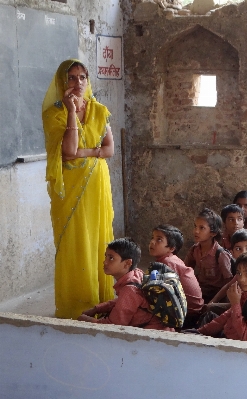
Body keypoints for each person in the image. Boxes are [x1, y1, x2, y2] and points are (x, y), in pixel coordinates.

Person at [42, 59, 115, 319]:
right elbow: (68, 151)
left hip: (97, 187)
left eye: (82, 77)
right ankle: (76, 305)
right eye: (71, 78)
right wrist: (72, 111)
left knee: (98, 240)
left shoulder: (99, 110)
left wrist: (89, 153)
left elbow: (109, 150)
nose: (77, 83)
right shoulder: (55, 113)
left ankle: (100, 302)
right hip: (69, 190)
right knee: (74, 242)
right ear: (63, 82)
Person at [78, 238, 173, 331]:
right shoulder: (137, 273)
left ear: (127, 263)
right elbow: (122, 301)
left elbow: (113, 327)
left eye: (111, 258)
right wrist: (97, 309)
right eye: (105, 256)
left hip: (153, 336)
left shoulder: (129, 289)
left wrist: (86, 320)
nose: (105, 262)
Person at [197, 250, 247, 342]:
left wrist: (235, 303)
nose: (241, 279)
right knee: (207, 317)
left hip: (236, 348)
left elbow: (245, 336)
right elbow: (224, 318)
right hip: (226, 336)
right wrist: (198, 333)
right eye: (239, 273)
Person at [149, 224, 204, 327]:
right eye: (153, 238)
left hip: (188, 315)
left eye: (159, 240)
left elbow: (160, 293)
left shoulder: (167, 263)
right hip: (192, 310)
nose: (152, 242)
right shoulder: (170, 259)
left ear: (171, 248)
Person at [184, 208, 233, 303]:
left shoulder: (220, 254)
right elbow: (185, 271)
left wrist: (213, 302)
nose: (196, 231)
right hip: (201, 291)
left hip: (216, 295)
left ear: (213, 232)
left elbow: (229, 283)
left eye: (201, 228)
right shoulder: (194, 250)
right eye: (195, 226)